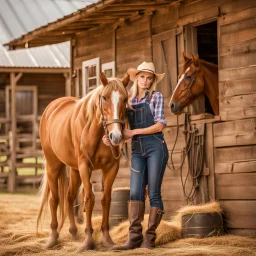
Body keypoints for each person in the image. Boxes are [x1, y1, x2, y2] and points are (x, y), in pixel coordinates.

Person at [102, 61, 169, 249]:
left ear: (152, 81)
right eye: (142, 77)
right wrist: (114, 140)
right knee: (135, 193)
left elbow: (160, 125)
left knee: (154, 193)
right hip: (138, 150)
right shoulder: (128, 101)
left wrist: (133, 133)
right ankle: (134, 238)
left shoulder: (156, 97)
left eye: (149, 78)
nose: (145, 81)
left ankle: (149, 239)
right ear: (136, 78)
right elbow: (125, 131)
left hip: (156, 148)